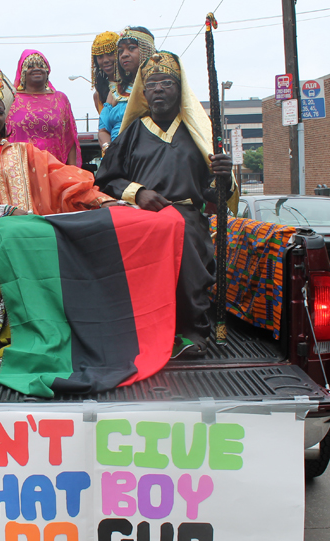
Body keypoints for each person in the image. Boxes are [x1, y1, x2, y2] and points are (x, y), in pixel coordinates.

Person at [0, 65, 116, 306]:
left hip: (31, 239)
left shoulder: (25, 152)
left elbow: (63, 179)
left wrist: (103, 200)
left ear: (6, 116)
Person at [96, 51, 239, 355]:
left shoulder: (197, 133)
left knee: (185, 246)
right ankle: (131, 331)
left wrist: (223, 176)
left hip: (185, 215)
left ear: (179, 90)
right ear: (143, 93)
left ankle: (190, 332)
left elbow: (214, 193)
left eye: (166, 83)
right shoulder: (132, 133)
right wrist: (138, 192)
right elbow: (106, 180)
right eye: (152, 85)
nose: (159, 89)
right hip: (141, 214)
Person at [6, 50, 82, 167]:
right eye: (30, 66)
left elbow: (70, 140)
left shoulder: (60, 99)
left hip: (54, 171)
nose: (37, 69)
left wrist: (73, 172)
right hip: (19, 172)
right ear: (22, 72)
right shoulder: (11, 99)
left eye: (41, 65)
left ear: (47, 71)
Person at [98, 26, 155, 153]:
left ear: (147, 49)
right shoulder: (115, 90)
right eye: (120, 51)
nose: (124, 55)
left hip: (150, 158)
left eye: (131, 48)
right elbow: (103, 130)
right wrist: (109, 149)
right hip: (117, 159)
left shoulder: (159, 86)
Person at [91, 31, 119, 114]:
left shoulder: (133, 84)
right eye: (100, 56)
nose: (105, 60)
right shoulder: (98, 96)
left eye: (110, 54)